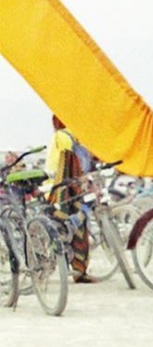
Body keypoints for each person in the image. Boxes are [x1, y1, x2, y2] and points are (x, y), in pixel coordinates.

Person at [45, 114, 91, 282]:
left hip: (62, 186)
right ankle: (78, 270)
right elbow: (67, 163)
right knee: (75, 224)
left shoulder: (64, 136)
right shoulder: (66, 137)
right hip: (63, 188)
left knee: (74, 224)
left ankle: (77, 269)